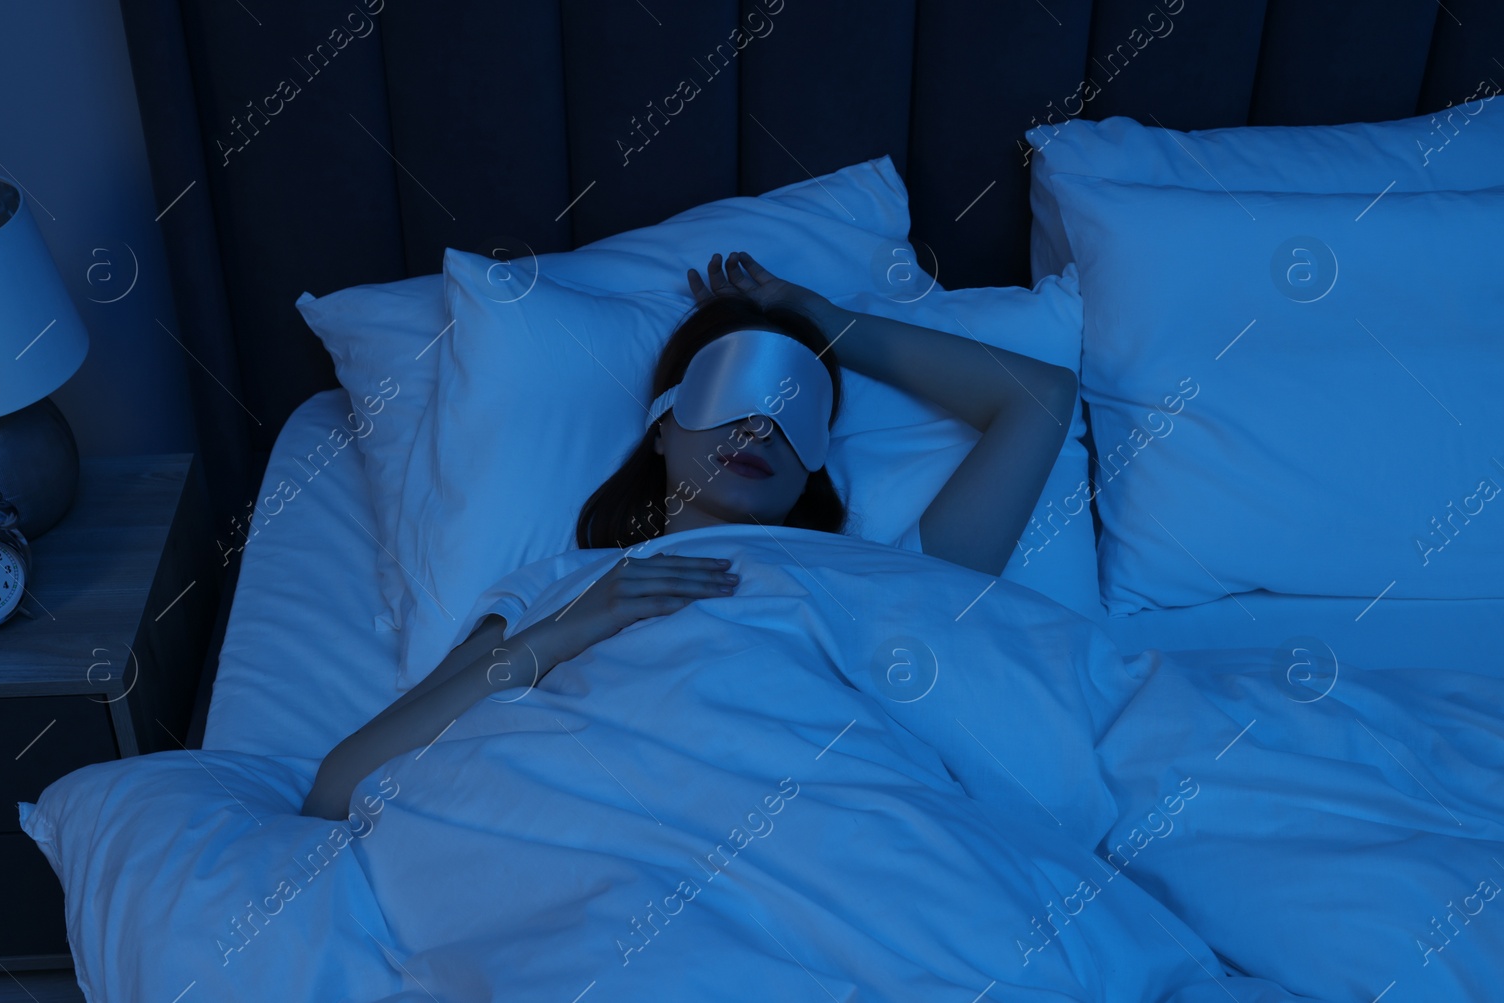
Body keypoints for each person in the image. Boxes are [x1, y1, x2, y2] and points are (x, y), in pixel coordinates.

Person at [301, 251, 1076, 819]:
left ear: (814, 467)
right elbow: (342, 783)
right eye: (729, 394)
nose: (756, 426)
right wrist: (577, 627)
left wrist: (830, 324)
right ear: (663, 430)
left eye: (790, 414)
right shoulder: (561, 586)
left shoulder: (876, 574)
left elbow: (1039, 398)